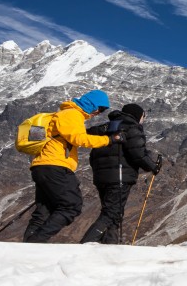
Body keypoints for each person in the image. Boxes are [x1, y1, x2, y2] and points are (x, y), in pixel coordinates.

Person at [23, 89, 124, 243]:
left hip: (42, 165)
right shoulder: (71, 114)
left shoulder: (65, 114)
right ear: (92, 104)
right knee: (71, 206)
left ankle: (26, 248)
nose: (99, 112)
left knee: (44, 211)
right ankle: (35, 242)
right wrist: (109, 140)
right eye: (100, 108)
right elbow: (79, 139)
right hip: (55, 166)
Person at [81, 103, 162, 244]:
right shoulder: (132, 128)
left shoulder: (105, 128)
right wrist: (153, 166)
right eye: (143, 116)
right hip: (119, 176)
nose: (143, 120)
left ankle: (109, 246)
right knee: (111, 213)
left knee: (114, 213)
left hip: (101, 177)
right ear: (137, 115)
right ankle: (84, 245)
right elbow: (138, 153)